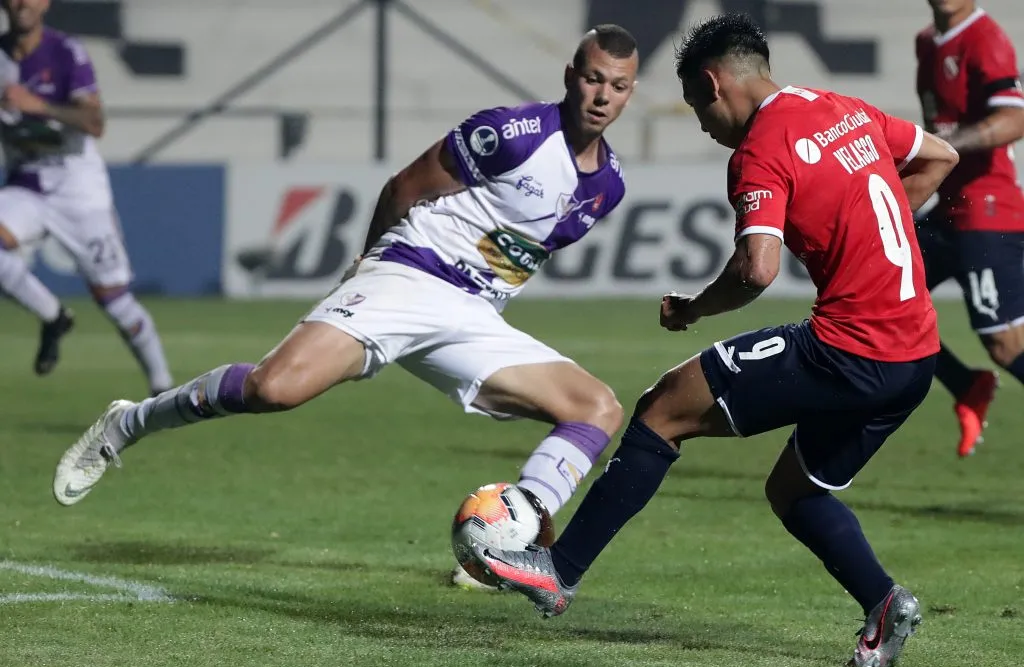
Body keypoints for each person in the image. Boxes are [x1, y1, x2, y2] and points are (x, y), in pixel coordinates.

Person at [52, 25, 639, 588]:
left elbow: (514, 253)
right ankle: (126, 423)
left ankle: (511, 548)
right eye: (592, 79)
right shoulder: (513, 132)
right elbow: (405, 187)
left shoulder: (607, 185)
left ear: (629, 92)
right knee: (273, 389)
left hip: (473, 316)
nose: (601, 96)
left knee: (597, 409)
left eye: (616, 86)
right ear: (570, 76)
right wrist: (368, 263)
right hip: (410, 275)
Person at [470, 13, 959, 667]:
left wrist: (695, 309)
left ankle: (558, 570)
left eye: (699, 108)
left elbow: (756, 268)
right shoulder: (843, 108)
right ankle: (883, 601)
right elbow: (939, 156)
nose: (703, 125)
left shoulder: (760, 150)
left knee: (664, 406)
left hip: (847, 347)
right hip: (915, 357)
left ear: (714, 83)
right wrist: (861, 232)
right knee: (795, 490)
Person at [0, 0, 172, 393]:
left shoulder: (66, 52)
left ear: (45, 3)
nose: (23, 2)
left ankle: (162, 389)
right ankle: (53, 316)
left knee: (114, 300)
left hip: (77, 187)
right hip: (27, 183)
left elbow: (94, 122)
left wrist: (36, 105)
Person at [914, 0, 1024, 457]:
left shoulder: (986, 40)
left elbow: (1015, 118)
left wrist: (944, 145)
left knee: (1003, 344)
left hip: (987, 213)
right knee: (869, 293)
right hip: (949, 209)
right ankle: (966, 383)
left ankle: (973, 381)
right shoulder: (926, 42)